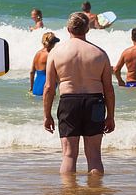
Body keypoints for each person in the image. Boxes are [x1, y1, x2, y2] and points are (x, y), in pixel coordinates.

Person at [43, 12, 115, 175]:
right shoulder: (100, 54)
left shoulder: (56, 52)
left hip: (69, 102)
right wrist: (110, 116)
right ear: (87, 29)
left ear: (68, 28)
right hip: (95, 102)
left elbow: (48, 87)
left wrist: (47, 115)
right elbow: (109, 89)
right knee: (95, 156)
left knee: (68, 155)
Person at [30, 32, 59, 96]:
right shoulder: (50, 54)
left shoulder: (38, 53)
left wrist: (32, 88)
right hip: (46, 87)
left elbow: (32, 72)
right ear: (53, 43)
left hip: (35, 88)